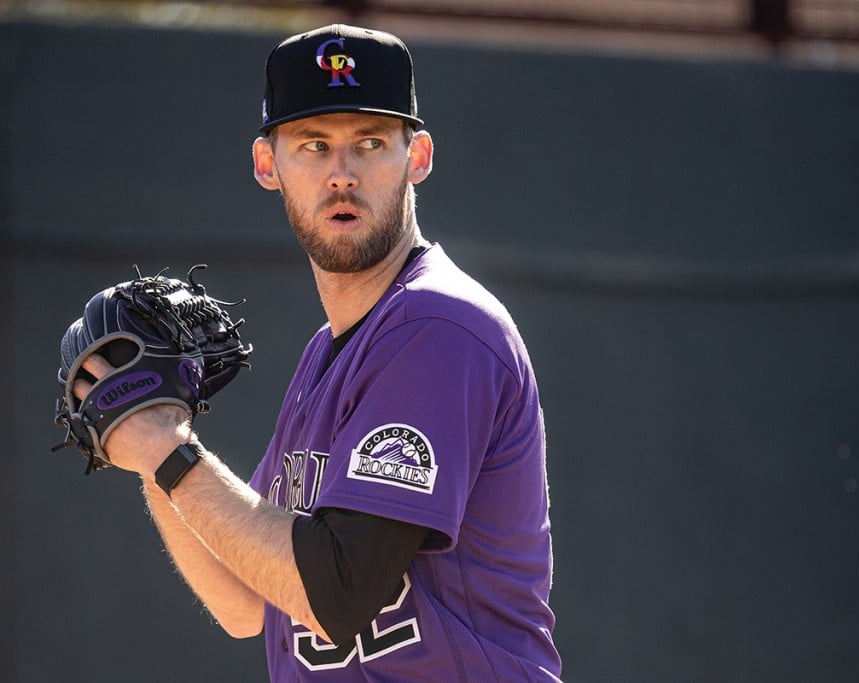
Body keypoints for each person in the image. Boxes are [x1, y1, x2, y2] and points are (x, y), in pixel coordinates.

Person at [71, 23, 561, 682]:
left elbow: (336, 594)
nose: (341, 173)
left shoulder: (442, 327)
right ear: (268, 165)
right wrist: (153, 441)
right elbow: (249, 599)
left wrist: (167, 448)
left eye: (370, 143)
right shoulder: (328, 355)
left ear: (416, 157)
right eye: (313, 144)